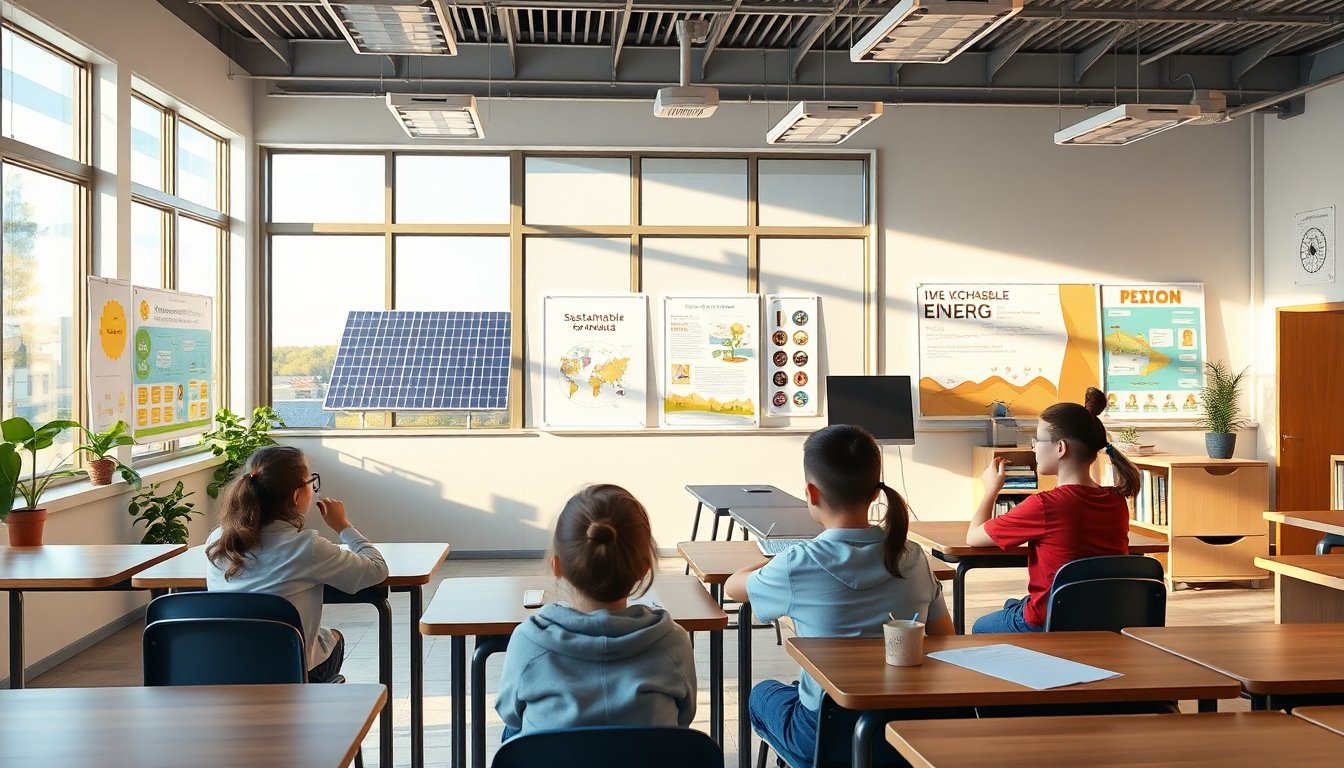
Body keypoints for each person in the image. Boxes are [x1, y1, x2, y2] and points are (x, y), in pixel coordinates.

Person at [725, 424, 953, 767]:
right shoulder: (914, 556)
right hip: (903, 729)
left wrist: (777, 559)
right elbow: (945, 638)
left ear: (811, 493)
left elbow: (733, 586)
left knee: (761, 695)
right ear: (876, 493)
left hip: (822, 733)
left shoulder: (795, 564)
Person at [496, 484, 696, 739]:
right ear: (644, 568)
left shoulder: (528, 640)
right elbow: (683, 718)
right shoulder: (673, 641)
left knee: (514, 733)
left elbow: (510, 713)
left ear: (557, 566)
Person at [205, 445, 388, 682]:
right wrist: (343, 525)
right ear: (296, 495)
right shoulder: (307, 548)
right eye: (311, 482)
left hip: (226, 673)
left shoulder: (218, 540)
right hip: (288, 675)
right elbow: (377, 570)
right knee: (333, 638)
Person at [967, 387, 1140, 633]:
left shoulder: (1044, 505)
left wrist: (991, 490)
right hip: (1106, 620)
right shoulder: (1116, 501)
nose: (1034, 447)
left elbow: (973, 537)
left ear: (1060, 447)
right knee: (1015, 606)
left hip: (1052, 622)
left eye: (1038, 439)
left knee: (980, 627)